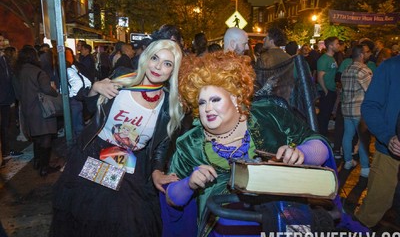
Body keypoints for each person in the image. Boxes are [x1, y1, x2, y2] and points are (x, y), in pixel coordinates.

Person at [161, 51, 366, 236]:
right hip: (226, 226)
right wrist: (189, 183)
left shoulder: (268, 114)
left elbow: (319, 144)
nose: (207, 108)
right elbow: (172, 199)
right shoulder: (190, 143)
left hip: (287, 216)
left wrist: (302, 153)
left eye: (215, 100)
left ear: (235, 98)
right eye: (202, 102)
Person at [50, 39, 184, 236]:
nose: (158, 66)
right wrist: (94, 89)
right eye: (155, 58)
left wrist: (156, 170)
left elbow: (161, 146)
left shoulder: (170, 105)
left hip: (132, 167)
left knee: (128, 224)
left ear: (173, 71)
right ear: (146, 58)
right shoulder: (122, 79)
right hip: (97, 155)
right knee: (89, 220)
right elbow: (90, 109)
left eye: (167, 63)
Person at [355, 55, 400, 228]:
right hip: (390, 155)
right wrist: (388, 137)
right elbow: (370, 105)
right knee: (373, 209)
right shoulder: (391, 67)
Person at [14, 46, 59, 175]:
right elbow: (47, 90)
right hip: (40, 109)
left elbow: (17, 94)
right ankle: (44, 168)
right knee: (46, 137)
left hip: (26, 109)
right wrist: (53, 89)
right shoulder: (38, 72)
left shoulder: (18, 72)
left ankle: (37, 162)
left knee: (36, 137)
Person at [341, 45, 372, 177]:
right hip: (359, 109)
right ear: (361, 55)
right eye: (367, 52)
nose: (369, 54)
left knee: (347, 135)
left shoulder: (346, 69)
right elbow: (371, 91)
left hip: (347, 108)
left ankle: (348, 161)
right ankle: (365, 168)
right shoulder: (364, 70)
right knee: (363, 138)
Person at [317, 36, 339, 136]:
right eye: (337, 44)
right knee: (324, 115)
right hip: (326, 91)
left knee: (327, 114)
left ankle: (323, 134)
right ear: (330, 46)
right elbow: (320, 76)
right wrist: (325, 90)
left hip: (331, 90)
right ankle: (322, 136)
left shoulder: (332, 58)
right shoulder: (324, 59)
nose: (338, 46)